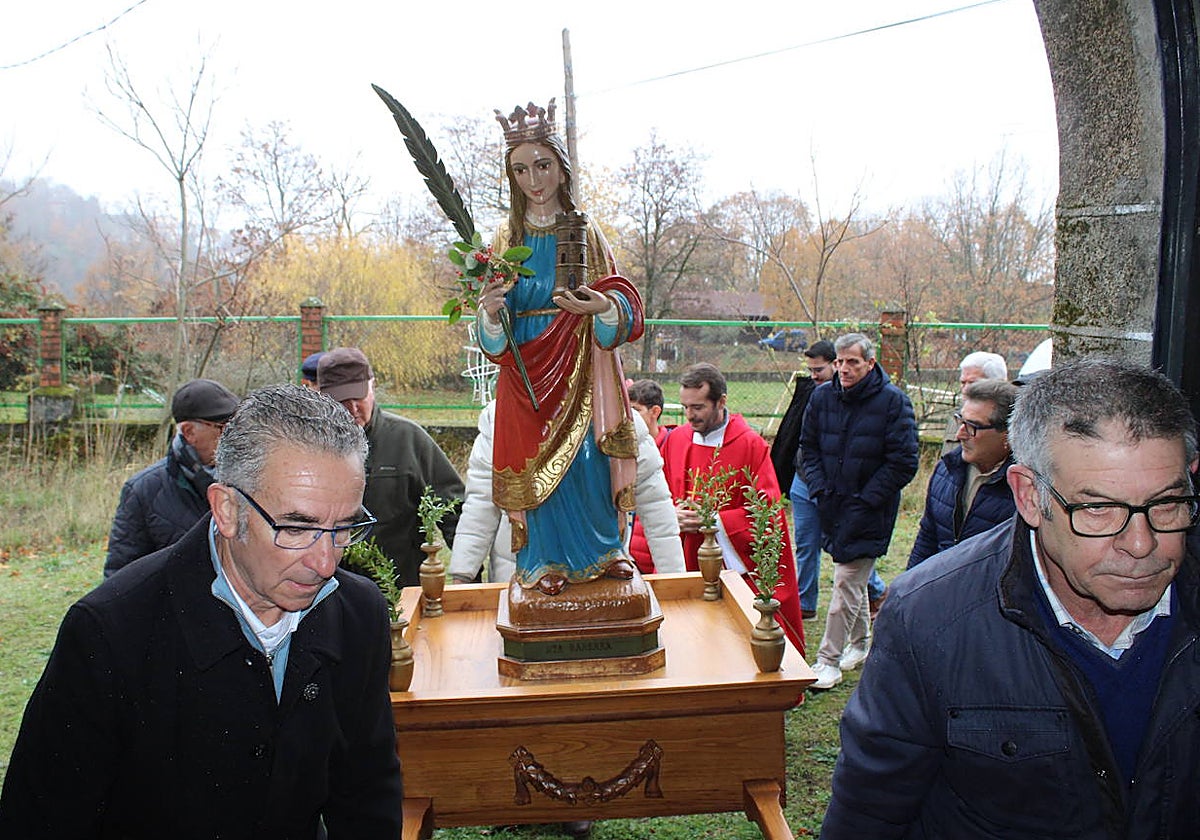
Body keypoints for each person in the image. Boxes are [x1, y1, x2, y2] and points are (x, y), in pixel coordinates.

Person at [0, 384, 403, 838]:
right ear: (227, 510)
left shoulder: (358, 613)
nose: (326, 563)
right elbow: (41, 820)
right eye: (295, 528)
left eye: (344, 528)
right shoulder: (109, 632)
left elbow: (368, 793)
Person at [823, 359, 1200, 838]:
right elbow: (869, 816)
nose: (1142, 544)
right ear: (1028, 496)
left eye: (1167, 503)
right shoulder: (927, 620)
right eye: (1098, 508)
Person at [478, 100, 644, 597]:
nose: (534, 180)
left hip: (581, 365)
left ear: (561, 167)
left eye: (542, 165)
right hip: (526, 371)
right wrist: (491, 312)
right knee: (535, 464)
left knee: (587, 459)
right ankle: (542, 558)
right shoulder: (506, 237)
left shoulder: (585, 231)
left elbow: (620, 298)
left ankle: (603, 550)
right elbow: (492, 330)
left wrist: (602, 307)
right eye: (521, 169)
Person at [630, 363, 806, 655]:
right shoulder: (677, 439)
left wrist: (713, 521)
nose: (690, 415)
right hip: (685, 554)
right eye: (686, 407)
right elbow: (657, 494)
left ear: (721, 401)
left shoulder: (750, 445)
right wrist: (672, 514)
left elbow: (766, 512)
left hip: (732, 565)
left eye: (698, 407)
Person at [450, 400, 685, 582]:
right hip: (517, 573)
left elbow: (656, 506)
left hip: (603, 575)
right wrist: (463, 573)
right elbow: (481, 503)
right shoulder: (502, 417)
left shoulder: (621, 420)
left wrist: (674, 577)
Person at [800, 333, 918, 689]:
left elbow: (903, 462)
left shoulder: (893, 402)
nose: (844, 368)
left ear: (870, 362)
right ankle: (861, 643)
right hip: (831, 505)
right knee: (853, 580)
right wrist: (820, 489)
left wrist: (866, 499)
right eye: (839, 361)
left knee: (845, 581)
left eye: (852, 362)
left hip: (871, 511)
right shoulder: (822, 397)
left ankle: (828, 661)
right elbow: (808, 448)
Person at [319, 346, 463, 586]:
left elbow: (453, 511)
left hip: (400, 589)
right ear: (322, 397)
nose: (353, 408)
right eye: (342, 400)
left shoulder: (408, 440)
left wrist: (467, 575)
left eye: (359, 397)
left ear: (372, 386)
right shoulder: (309, 449)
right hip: (330, 589)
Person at [103, 377, 239, 577]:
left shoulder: (251, 480)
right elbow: (121, 578)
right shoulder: (144, 491)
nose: (235, 436)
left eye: (237, 425)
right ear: (189, 432)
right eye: (223, 427)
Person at [907, 378, 1018, 569]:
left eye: (973, 427)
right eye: (960, 421)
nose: (960, 435)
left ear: (1007, 434)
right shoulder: (946, 470)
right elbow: (927, 538)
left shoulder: (1024, 488)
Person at [770, 339, 836, 619]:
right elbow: (791, 435)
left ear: (835, 365)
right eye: (810, 370)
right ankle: (806, 604)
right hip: (802, 480)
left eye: (819, 370)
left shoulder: (847, 401)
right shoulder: (808, 393)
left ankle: (874, 589)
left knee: (842, 544)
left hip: (833, 485)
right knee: (806, 543)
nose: (814, 376)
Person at [940, 349, 1008, 456]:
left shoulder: (1009, 423)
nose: (965, 390)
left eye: (973, 383)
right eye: (963, 382)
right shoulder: (957, 418)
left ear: (997, 385)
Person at [628, 378, 671, 449]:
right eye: (627, 410)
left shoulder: (672, 445)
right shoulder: (624, 446)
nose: (628, 416)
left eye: (635, 410)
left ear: (655, 412)